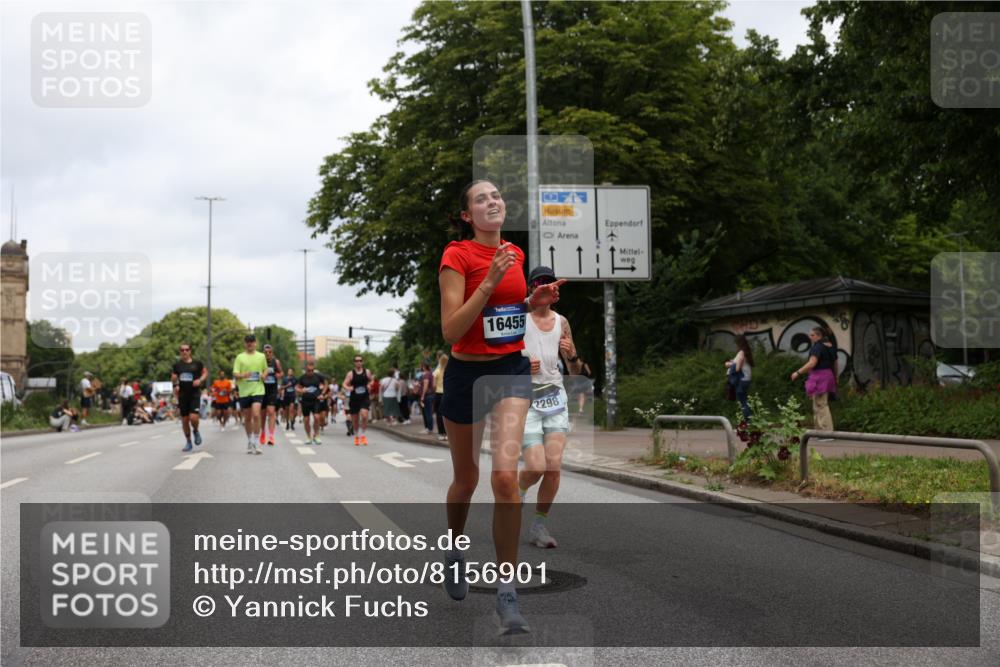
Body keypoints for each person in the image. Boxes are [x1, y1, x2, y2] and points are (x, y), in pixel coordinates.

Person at [438, 179, 564, 634]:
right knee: (466, 479)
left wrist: (532, 303)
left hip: (510, 370)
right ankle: (454, 549)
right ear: (468, 215)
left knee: (505, 477)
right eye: (481, 199)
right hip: (466, 375)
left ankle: (507, 593)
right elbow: (452, 330)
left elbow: (504, 317)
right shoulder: (457, 256)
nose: (492, 201)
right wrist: (489, 280)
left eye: (495, 196)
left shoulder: (515, 253)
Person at [517, 265, 577, 550]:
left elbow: (574, 369)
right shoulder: (519, 317)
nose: (545, 287)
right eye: (539, 283)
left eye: (550, 283)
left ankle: (538, 526)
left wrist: (571, 354)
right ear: (531, 288)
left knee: (552, 468)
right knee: (536, 467)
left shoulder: (562, 322)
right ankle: (517, 491)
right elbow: (499, 357)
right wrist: (521, 365)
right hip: (526, 400)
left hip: (555, 397)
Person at [791, 326, 838, 436]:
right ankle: (819, 432)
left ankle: (826, 432)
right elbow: (835, 362)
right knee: (818, 404)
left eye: (812, 335)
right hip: (828, 375)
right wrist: (836, 376)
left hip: (819, 377)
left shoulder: (817, 347)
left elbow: (812, 363)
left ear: (818, 336)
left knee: (821, 405)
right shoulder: (830, 346)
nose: (810, 337)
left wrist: (797, 372)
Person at [233, 333, 268, 455]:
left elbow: (265, 369)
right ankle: (249, 440)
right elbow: (235, 373)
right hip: (244, 391)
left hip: (258, 390)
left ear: (255, 343)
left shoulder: (261, 356)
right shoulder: (240, 357)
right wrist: (243, 375)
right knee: (247, 418)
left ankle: (257, 441)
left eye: (252, 341)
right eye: (248, 341)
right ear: (245, 343)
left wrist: (264, 375)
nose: (250, 343)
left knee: (256, 415)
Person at [172, 342, 208, 452]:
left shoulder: (197, 364)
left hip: (194, 394)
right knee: (185, 420)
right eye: (182, 350)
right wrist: (175, 386)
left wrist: (200, 380)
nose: (184, 352)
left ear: (190, 351)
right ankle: (188, 442)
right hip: (182, 395)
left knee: (193, 418)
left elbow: (205, 373)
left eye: (186, 350)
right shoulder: (177, 365)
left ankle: (196, 430)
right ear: (180, 352)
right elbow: (174, 378)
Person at [343, 354, 374, 446]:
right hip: (354, 399)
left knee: (364, 415)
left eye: (360, 360)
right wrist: (348, 388)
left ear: (362, 362)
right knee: (355, 420)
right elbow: (344, 384)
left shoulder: (367, 372)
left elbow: (372, 380)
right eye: (357, 361)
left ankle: (363, 435)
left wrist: (369, 385)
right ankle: (357, 436)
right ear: (354, 363)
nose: (359, 362)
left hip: (364, 397)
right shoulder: (350, 374)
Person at [296, 360, 327, 445]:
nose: (311, 372)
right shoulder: (302, 378)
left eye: (312, 370)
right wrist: (301, 390)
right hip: (305, 401)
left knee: (316, 417)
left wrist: (322, 394)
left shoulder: (318, 376)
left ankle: (316, 435)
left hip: (316, 400)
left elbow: (326, 384)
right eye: (309, 370)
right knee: (306, 420)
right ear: (306, 370)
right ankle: (308, 437)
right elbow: (297, 387)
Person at [725, 334, 755, 422]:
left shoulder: (741, 352)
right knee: (744, 400)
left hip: (742, 380)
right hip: (746, 379)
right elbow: (741, 363)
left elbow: (738, 368)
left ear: (738, 343)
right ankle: (750, 419)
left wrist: (729, 364)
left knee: (743, 401)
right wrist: (733, 362)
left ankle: (748, 421)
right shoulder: (746, 351)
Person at [260, 344, 284, 446]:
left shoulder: (276, 362)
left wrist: (278, 375)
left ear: (272, 353)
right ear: (263, 353)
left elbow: (281, 373)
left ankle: (271, 436)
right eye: (266, 352)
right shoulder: (260, 362)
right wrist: (262, 376)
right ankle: (263, 433)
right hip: (262, 390)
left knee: (271, 411)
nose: (268, 354)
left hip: (272, 390)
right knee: (262, 414)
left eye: (269, 352)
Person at [433, 353, 447, 441]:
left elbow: (434, 385)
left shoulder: (437, 371)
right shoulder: (449, 371)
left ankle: (441, 433)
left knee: (439, 414)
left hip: (438, 393)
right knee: (447, 414)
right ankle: (447, 433)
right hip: (447, 394)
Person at [418, 362, 435, 434]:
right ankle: (428, 428)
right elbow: (433, 385)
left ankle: (429, 429)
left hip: (426, 395)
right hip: (430, 395)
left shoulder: (426, 375)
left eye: (421, 366)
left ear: (424, 367)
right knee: (428, 412)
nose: (421, 368)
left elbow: (425, 385)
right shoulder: (431, 374)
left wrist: (422, 395)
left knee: (427, 413)